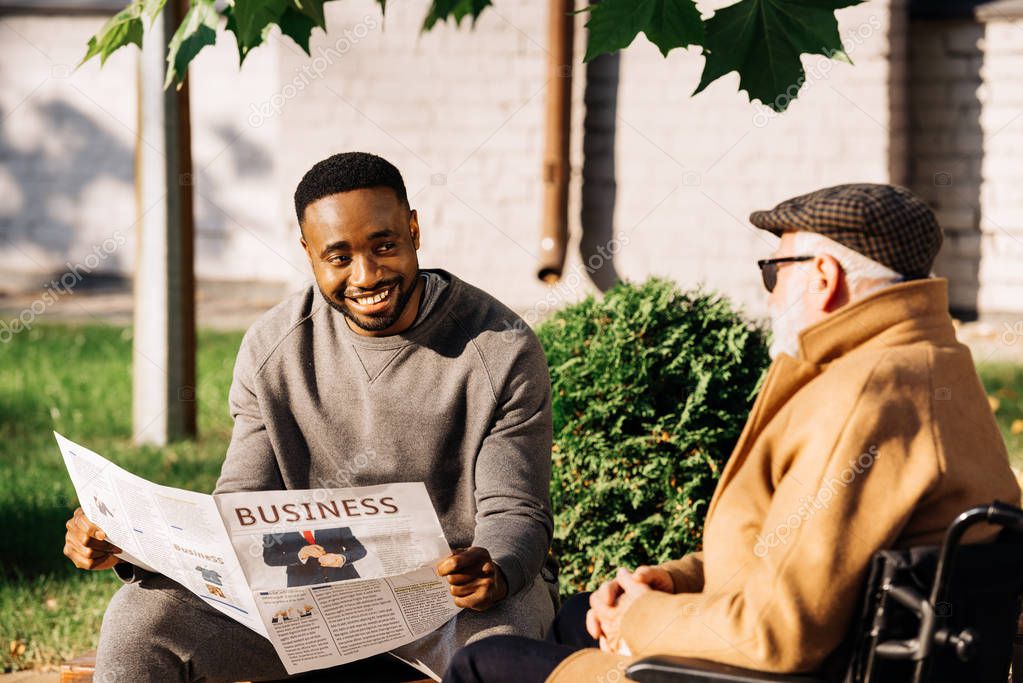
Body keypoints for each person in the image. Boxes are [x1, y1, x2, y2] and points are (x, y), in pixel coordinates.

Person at [443, 183, 1023, 683]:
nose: (767, 293)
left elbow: (782, 629)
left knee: (481, 663)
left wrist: (641, 619)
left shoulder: (867, 392)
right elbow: (796, 548)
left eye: (774, 270)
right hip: (806, 649)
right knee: (573, 616)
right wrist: (673, 582)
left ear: (824, 277)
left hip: (755, 673)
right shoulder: (935, 360)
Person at [63, 151, 558, 681]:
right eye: (339, 257)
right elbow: (240, 505)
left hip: (456, 603)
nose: (366, 275)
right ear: (309, 252)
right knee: (142, 622)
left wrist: (495, 570)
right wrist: (130, 544)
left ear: (414, 229)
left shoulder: (499, 349)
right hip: (311, 597)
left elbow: (515, 513)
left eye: (384, 245)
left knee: (500, 653)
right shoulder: (273, 349)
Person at [262, 527, 367, 586]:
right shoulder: (275, 527)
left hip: (345, 579)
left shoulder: (332, 517)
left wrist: (340, 558)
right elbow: (270, 558)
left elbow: (359, 550)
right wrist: (300, 555)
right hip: (303, 584)